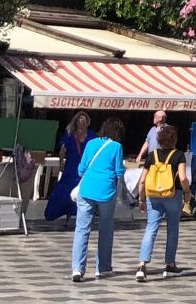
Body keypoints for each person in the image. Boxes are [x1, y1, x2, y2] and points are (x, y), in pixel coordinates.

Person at [68, 117, 127, 283]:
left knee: (82, 229)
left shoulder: (91, 143)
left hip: (86, 190)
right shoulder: (116, 147)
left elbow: (81, 169)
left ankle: (77, 269)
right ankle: (103, 267)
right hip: (106, 192)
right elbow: (119, 172)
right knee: (106, 229)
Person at [134, 124, 187, 281]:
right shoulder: (179, 155)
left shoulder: (152, 155)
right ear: (174, 139)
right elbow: (183, 178)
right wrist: (188, 192)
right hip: (173, 194)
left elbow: (142, 180)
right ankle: (170, 264)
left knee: (151, 228)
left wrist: (141, 199)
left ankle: (142, 265)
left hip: (154, 196)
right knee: (172, 229)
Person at [44, 112, 93, 224]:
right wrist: (61, 162)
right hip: (71, 166)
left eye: (84, 122)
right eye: (80, 122)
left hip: (84, 167)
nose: (82, 125)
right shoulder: (70, 134)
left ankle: (74, 215)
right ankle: (56, 212)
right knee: (65, 189)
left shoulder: (90, 135)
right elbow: (63, 150)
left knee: (80, 191)